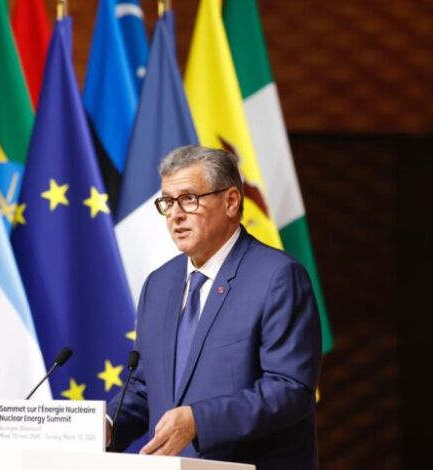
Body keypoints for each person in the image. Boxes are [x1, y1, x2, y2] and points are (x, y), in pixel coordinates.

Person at [107, 145, 322, 469]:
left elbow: (289, 389)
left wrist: (199, 421)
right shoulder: (158, 285)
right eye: (168, 202)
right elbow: (145, 387)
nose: (176, 215)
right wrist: (107, 425)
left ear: (231, 201)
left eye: (189, 199)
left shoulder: (276, 277)